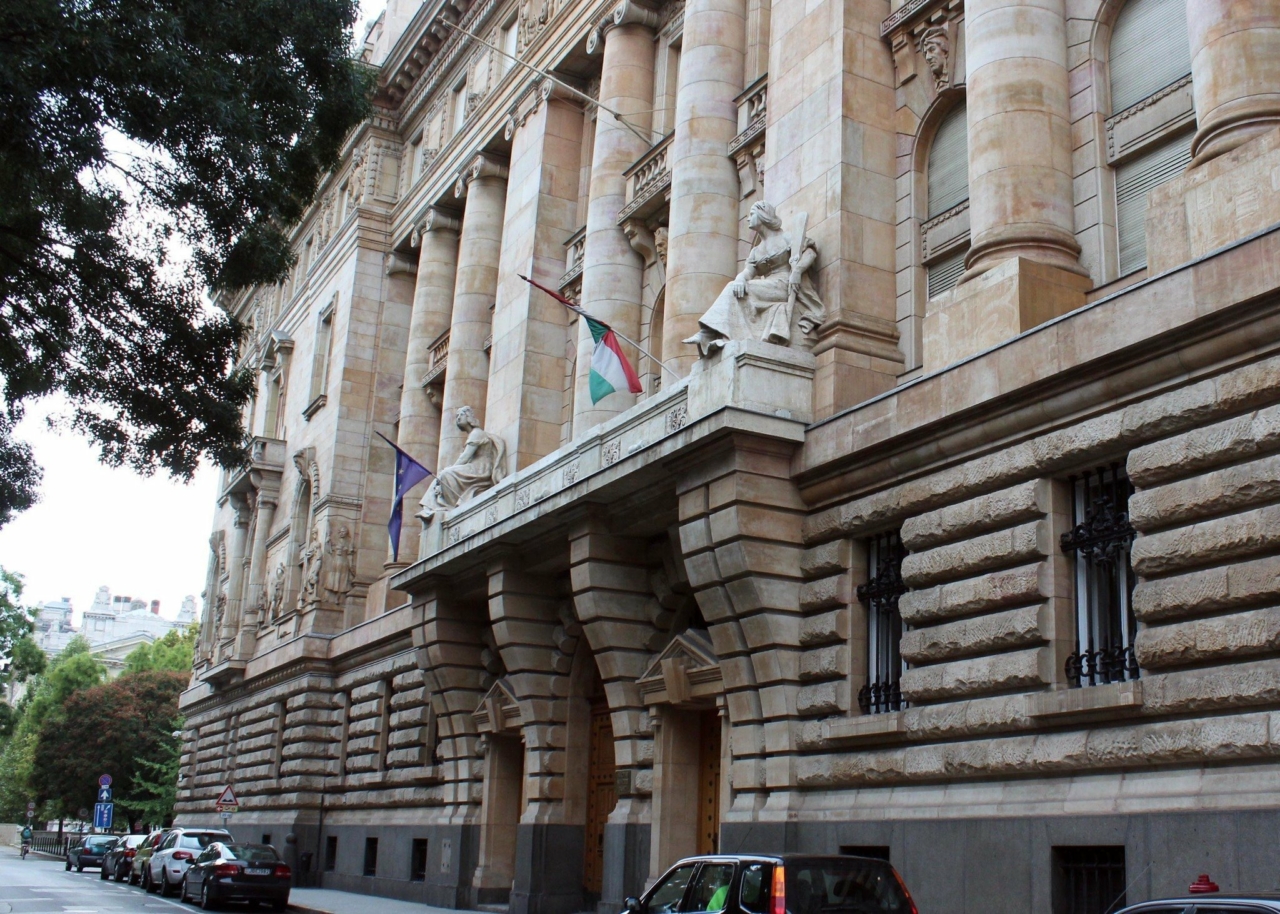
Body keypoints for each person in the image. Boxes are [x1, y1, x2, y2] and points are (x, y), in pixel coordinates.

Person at [683, 201, 824, 355]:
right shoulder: (756, 251)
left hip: (785, 284)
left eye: (752, 214)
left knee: (734, 290)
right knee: (735, 288)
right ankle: (716, 334)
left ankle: (708, 333)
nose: (748, 218)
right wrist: (740, 279)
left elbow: (810, 252)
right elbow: (747, 272)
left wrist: (797, 271)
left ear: (763, 215)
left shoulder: (786, 237)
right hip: (768, 286)